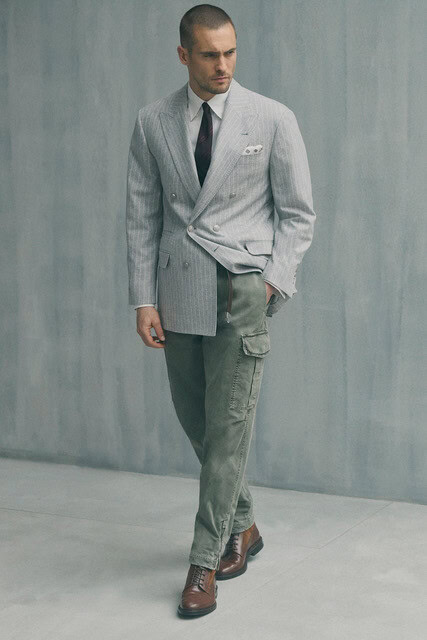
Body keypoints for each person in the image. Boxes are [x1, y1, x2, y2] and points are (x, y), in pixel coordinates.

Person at [126, 3, 316, 618]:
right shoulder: (153, 121)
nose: (223, 66)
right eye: (209, 54)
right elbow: (143, 215)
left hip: (241, 293)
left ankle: (204, 561)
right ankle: (246, 524)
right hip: (179, 292)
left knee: (229, 430)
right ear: (184, 55)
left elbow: (298, 213)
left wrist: (272, 284)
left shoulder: (272, 118)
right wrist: (144, 297)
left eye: (230, 52)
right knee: (200, 424)